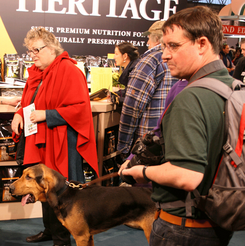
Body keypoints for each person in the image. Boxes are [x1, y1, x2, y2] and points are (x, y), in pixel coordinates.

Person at [119, 6, 235, 246]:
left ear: (202, 44)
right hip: (218, 222)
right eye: (163, 46)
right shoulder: (232, 87)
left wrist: (139, 172)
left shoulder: (191, 97)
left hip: (183, 227)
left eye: (173, 45)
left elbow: (187, 175)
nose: (164, 55)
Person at [11, 27, 98, 246]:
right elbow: (30, 101)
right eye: (30, 52)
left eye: (36, 50)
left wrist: (47, 115)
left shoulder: (69, 70)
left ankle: (61, 238)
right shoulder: (37, 73)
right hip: (40, 140)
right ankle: (49, 230)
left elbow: (80, 109)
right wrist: (19, 113)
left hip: (61, 142)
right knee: (42, 187)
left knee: (60, 191)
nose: (32, 56)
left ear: (51, 48)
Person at [117, 20, 178, 156]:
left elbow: (132, 107)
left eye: (148, 38)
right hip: (169, 141)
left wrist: (123, 147)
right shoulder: (179, 60)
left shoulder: (150, 61)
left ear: (157, 38)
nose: (147, 42)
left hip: (146, 145)